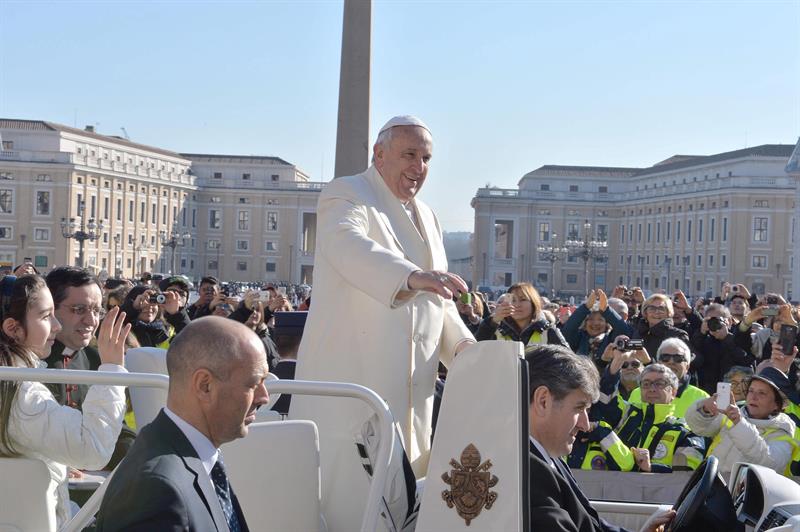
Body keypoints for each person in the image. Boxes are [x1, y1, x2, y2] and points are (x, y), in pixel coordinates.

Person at [291, 115, 475, 531]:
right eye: (409, 154)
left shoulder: (428, 216)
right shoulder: (347, 194)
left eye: (426, 158)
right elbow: (348, 245)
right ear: (379, 153)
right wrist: (409, 276)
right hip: (354, 397)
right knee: (349, 513)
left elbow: (440, 302)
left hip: (413, 401)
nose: (419, 167)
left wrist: (464, 350)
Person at [95, 317, 269, 531]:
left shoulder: (185, 458)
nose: (264, 397)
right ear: (205, 386)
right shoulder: (157, 490)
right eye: (253, 384)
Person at [0, 275, 129, 527]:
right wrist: (113, 369)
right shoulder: (22, 393)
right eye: (46, 316)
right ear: (13, 328)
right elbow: (92, 449)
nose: (56, 326)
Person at [527, 345, 675, 531]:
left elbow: (591, 525)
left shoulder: (549, 459)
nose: (585, 425)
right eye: (579, 408)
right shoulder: (529, 471)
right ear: (543, 401)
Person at [43, 266, 137, 469]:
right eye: (79, 310)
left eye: (96, 310)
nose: (91, 320)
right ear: (50, 310)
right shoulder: (30, 362)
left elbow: (115, 429)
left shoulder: (97, 359)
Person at [597, 363, 706, 473]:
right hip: (613, 487)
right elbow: (605, 400)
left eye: (659, 384)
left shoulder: (686, 433)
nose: (652, 389)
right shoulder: (627, 414)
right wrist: (616, 362)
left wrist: (651, 467)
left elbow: (687, 475)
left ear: (673, 392)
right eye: (646, 384)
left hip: (659, 490)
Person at [685, 369, 796, 477]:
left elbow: (770, 462)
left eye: (762, 393)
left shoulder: (782, 431)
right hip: (710, 486)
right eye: (751, 391)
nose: (753, 397)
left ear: (777, 404)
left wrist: (739, 422)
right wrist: (704, 409)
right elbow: (699, 428)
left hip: (747, 494)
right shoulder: (733, 412)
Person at [625, 338, 709, 418]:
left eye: (678, 358)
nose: (671, 362)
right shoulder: (637, 392)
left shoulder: (702, 398)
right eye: (665, 357)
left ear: (687, 366)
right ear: (658, 363)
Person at [475, 282, 568, 349]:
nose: (517, 304)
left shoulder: (549, 331)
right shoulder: (495, 329)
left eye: (523, 299)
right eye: (513, 300)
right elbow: (475, 350)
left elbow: (568, 361)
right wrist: (493, 321)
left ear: (533, 303)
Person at [561, 289, 633, 368]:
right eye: (591, 319)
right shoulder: (579, 338)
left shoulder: (610, 339)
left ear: (607, 324)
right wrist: (586, 307)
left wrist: (606, 310)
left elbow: (623, 329)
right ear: (585, 323)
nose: (595, 323)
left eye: (600, 320)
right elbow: (568, 330)